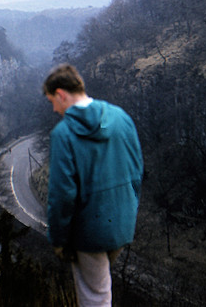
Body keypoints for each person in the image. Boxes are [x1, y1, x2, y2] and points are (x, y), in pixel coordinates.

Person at [42, 64, 143, 307]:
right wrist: (129, 210)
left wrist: (58, 239)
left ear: (61, 94)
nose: (54, 109)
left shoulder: (63, 134)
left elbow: (62, 195)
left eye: (52, 101)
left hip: (89, 229)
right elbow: (137, 171)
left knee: (94, 297)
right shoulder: (121, 117)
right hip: (121, 223)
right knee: (103, 289)